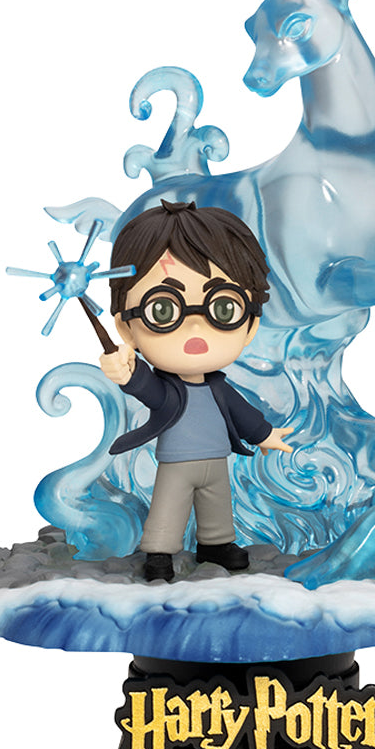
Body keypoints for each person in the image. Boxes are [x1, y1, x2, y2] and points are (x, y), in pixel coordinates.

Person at [100, 200, 293, 582]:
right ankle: (159, 551)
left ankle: (216, 544)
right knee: (168, 507)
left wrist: (265, 435)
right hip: (177, 461)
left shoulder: (219, 388)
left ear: (250, 325)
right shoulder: (167, 390)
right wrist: (126, 372)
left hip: (216, 459)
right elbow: (146, 387)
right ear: (125, 328)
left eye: (223, 309)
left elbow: (241, 413)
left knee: (218, 505)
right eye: (163, 310)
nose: (195, 328)